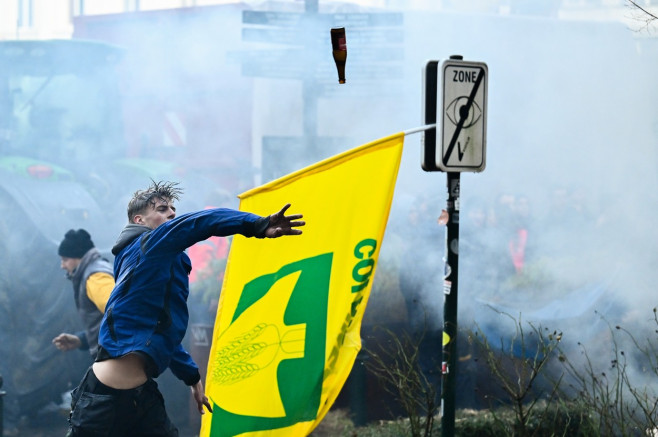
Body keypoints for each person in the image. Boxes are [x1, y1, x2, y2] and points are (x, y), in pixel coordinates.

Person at [67, 180, 305, 437]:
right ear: (140, 220)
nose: (171, 213)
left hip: (141, 395)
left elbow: (163, 334)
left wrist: (192, 378)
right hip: (102, 399)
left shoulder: (159, 266)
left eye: (172, 209)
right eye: (161, 209)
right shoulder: (147, 247)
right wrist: (258, 224)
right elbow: (200, 222)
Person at [53, 229, 114, 358]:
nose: (62, 265)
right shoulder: (96, 270)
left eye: (65, 259)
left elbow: (120, 313)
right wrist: (81, 340)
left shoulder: (95, 277)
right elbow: (106, 321)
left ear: (78, 257)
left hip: (116, 355)